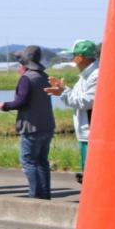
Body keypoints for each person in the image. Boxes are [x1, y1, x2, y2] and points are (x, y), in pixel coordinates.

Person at [0, 45, 55, 199]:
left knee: (28, 161)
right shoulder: (44, 76)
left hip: (31, 127)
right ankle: (45, 195)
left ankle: (34, 196)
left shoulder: (26, 78)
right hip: (47, 125)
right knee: (42, 162)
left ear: (24, 63)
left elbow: (21, 101)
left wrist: (5, 105)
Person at [45, 39, 98, 184]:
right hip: (86, 132)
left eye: (73, 56)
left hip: (91, 133)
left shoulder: (96, 75)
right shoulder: (86, 75)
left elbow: (84, 102)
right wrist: (64, 90)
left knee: (93, 176)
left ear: (80, 57)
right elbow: (77, 97)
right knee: (89, 174)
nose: (72, 60)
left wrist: (63, 92)